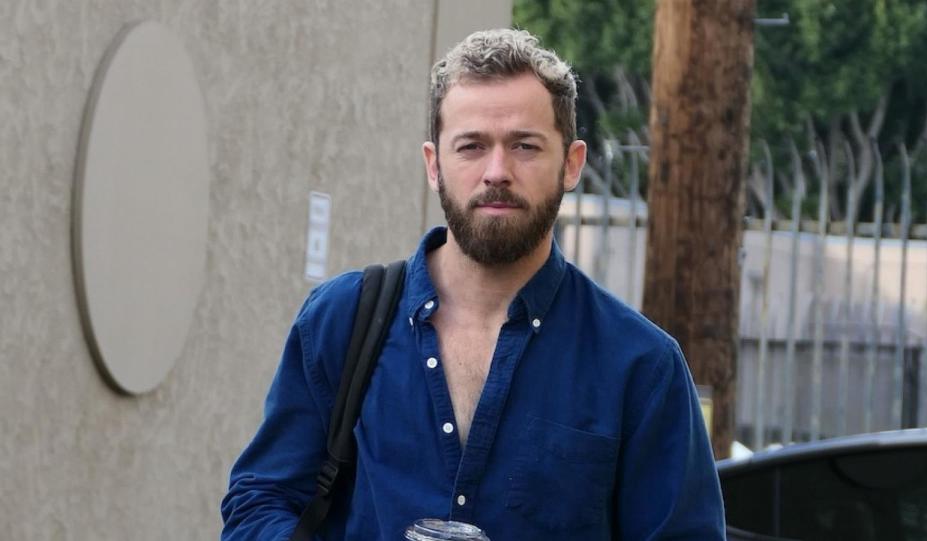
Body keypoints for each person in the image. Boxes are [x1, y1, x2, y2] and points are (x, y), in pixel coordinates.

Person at [221, 29, 725, 540]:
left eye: (525, 146)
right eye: (472, 146)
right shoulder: (342, 320)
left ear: (571, 164)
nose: (497, 172)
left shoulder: (640, 366)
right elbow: (258, 502)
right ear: (434, 164)